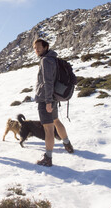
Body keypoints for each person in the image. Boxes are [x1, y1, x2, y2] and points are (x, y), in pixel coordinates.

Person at [33, 38, 74, 167]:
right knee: (56, 121)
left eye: (39, 47)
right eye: (35, 48)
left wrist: (48, 101)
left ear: (46, 47)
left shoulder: (46, 60)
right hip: (53, 98)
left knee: (48, 130)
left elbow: (48, 82)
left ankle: (48, 158)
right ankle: (67, 145)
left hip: (46, 99)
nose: (36, 49)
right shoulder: (53, 59)